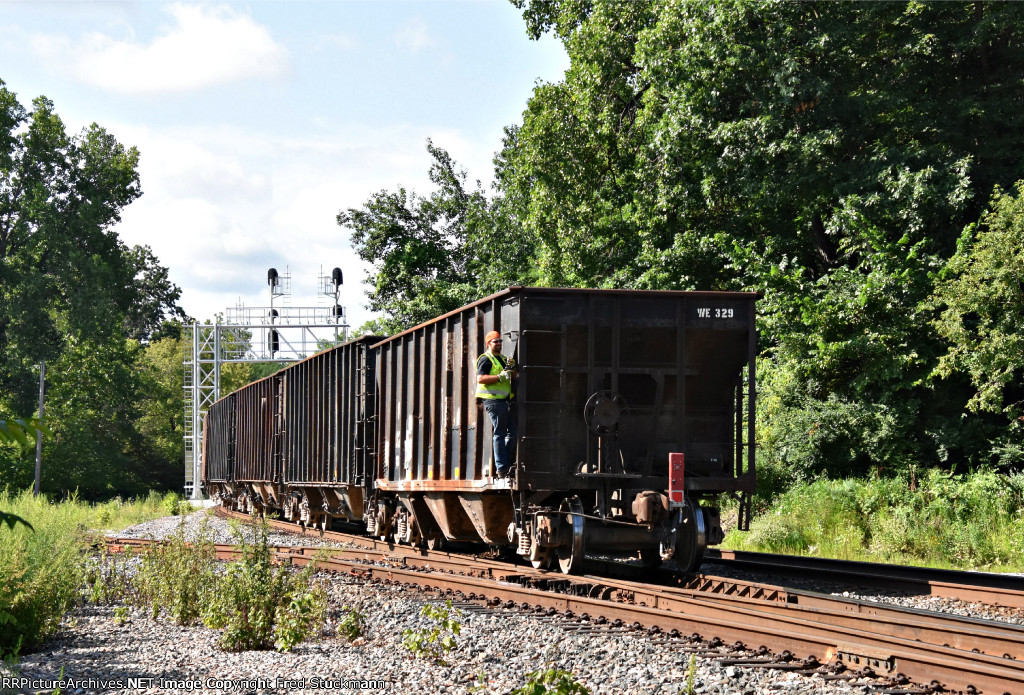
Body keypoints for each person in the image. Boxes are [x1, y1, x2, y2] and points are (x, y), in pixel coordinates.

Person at [476, 330, 517, 478]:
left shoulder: (503, 359)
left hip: (504, 400)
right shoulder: (485, 359)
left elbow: (512, 375)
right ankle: (502, 468)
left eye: (500, 341)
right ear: (489, 343)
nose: (499, 343)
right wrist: (499, 377)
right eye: (496, 341)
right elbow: (480, 378)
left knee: (513, 433)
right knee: (500, 433)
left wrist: (512, 369)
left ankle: (506, 464)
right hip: (493, 400)